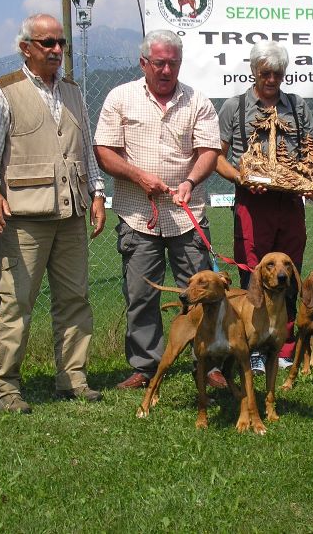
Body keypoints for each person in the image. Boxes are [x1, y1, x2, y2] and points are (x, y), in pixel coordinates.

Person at [0, 14, 106, 413]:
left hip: (71, 213)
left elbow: (86, 148)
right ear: (25, 47)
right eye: (47, 43)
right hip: (23, 217)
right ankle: (6, 387)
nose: (56, 50)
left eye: (60, 43)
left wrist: (98, 193)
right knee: (15, 303)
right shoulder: (3, 91)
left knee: (75, 298)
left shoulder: (72, 91)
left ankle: (73, 377)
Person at [94, 29, 223, 389]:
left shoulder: (198, 101)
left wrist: (190, 182)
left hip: (187, 215)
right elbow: (103, 151)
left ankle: (208, 363)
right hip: (138, 215)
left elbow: (209, 152)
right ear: (143, 63)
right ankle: (144, 367)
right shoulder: (121, 98)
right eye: (159, 63)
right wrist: (139, 177)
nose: (167, 70)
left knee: (203, 294)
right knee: (140, 294)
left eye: (173, 63)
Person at [216, 41, 313, 372]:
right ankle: (251, 345)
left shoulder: (297, 106)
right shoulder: (234, 107)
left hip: (289, 203)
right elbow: (217, 157)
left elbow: (312, 149)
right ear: (253, 71)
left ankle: (284, 346)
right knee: (253, 272)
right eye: (265, 73)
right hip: (252, 203)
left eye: (277, 73)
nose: (272, 79)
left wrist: (309, 173)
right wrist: (241, 179)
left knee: (288, 271)